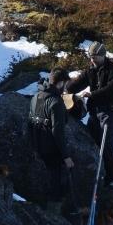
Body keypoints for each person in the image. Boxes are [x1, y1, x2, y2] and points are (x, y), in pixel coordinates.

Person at [66, 41, 113, 188]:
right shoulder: (90, 70)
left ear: (103, 55)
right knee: (92, 142)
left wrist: (91, 94)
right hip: (95, 113)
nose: (93, 60)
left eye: (95, 57)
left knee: (107, 145)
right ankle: (101, 174)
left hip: (110, 112)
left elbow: (110, 90)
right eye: (91, 57)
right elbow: (77, 84)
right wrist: (65, 86)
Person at [29, 68, 74, 214]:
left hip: (37, 148)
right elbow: (58, 132)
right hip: (53, 152)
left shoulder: (36, 97)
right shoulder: (56, 102)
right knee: (57, 187)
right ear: (61, 83)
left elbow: (29, 123)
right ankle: (53, 219)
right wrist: (66, 157)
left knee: (42, 184)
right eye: (65, 84)